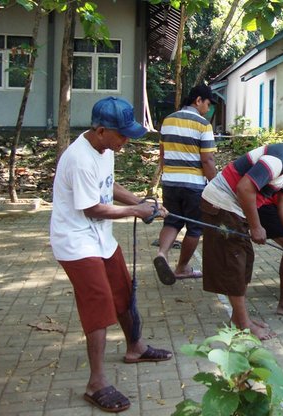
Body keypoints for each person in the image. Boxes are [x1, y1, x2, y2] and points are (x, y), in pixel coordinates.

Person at [50, 97, 172, 413]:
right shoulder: (78, 158)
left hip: (99, 238)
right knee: (99, 303)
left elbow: (108, 185)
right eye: (122, 134)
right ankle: (96, 383)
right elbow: (92, 207)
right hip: (75, 242)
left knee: (122, 290)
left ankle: (135, 347)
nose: (126, 141)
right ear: (101, 130)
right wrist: (135, 210)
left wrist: (146, 203)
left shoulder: (105, 149)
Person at [200, 122, 283, 340]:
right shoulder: (277, 158)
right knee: (235, 261)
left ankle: (239, 318)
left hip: (234, 209)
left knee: (242, 262)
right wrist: (256, 225)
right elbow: (245, 188)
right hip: (221, 206)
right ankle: (242, 323)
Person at [153, 84, 217, 285]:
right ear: (198, 100)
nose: (208, 109)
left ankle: (162, 254)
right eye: (207, 104)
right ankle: (182, 268)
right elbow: (207, 160)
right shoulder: (203, 124)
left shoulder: (168, 119)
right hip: (193, 185)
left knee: (172, 221)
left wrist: (166, 175)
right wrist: (216, 185)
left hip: (170, 182)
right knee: (195, 228)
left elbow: (162, 154)